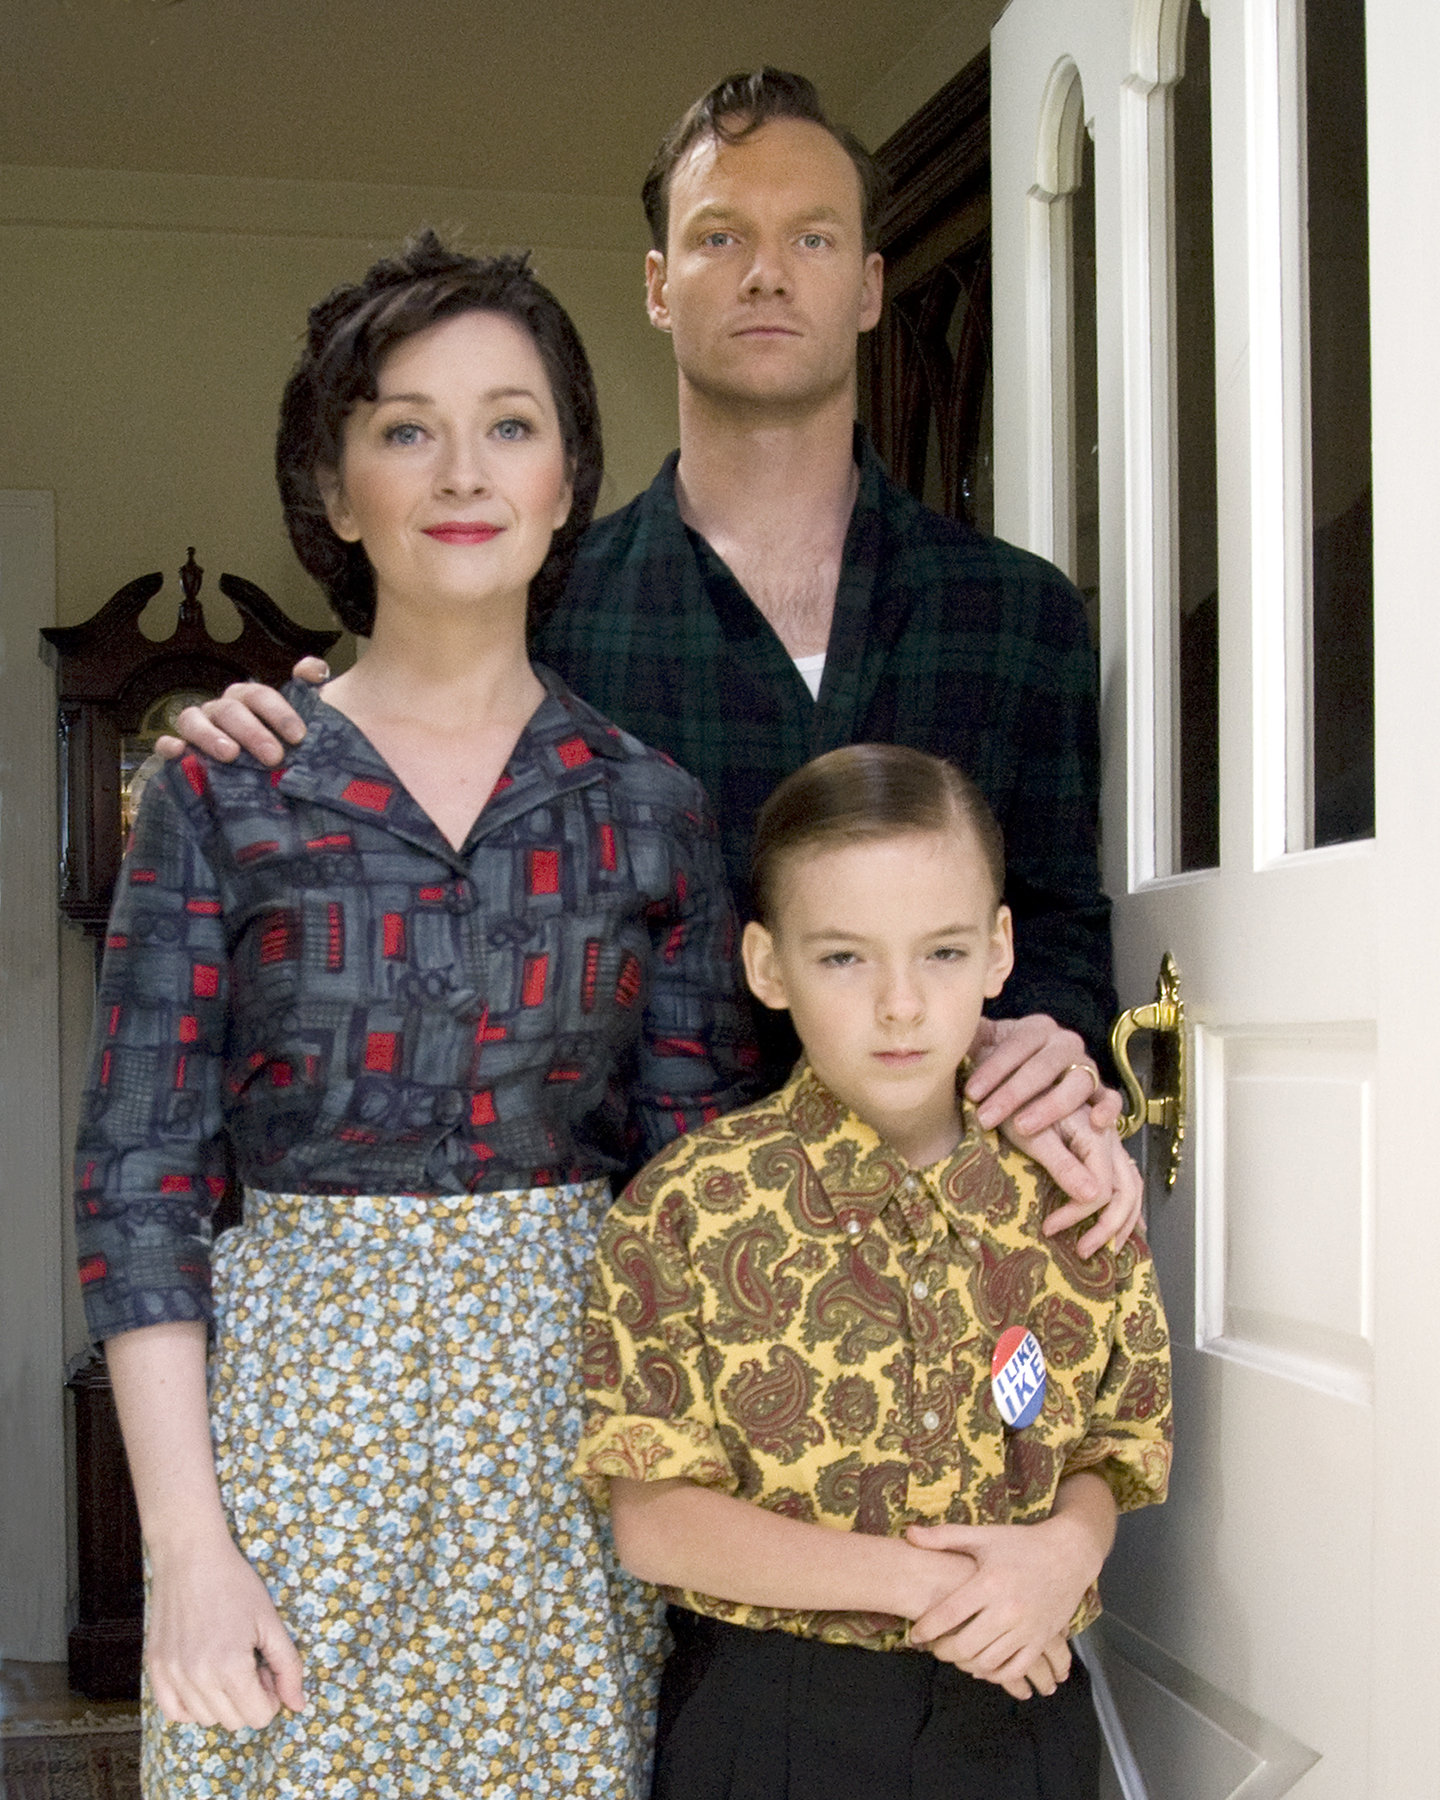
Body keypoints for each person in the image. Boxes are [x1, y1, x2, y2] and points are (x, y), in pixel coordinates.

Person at [159, 68, 1140, 1259]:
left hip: (958, 1248)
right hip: (651, 1279)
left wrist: (1055, 1030)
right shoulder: (545, 604)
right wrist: (279, 731)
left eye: (813, 237)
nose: (768, 272)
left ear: (872, 286)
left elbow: (1059, 928)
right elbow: (402, 771)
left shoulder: (1018, 616)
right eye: (720, 236)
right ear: (659, 287)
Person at [74, 234, 755, 1799]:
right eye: (405, 427)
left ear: (573, 476)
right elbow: (139, 1178)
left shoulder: (648, 808)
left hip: (572, 1450)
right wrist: (185, 1547)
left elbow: (699, 1194)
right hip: (290, 1446)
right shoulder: (222, 792)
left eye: (511, 423)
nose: (463, 469)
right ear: (333, 486)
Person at [575, 743, 1172, 1800]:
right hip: (775, 1725)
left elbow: (1114, 1445)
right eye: (845, 958)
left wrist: (1063, 1556)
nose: (900, 1005)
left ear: (998, 952)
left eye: (940, 953)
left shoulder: (1078, 1194)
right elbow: (655, 1520)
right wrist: (945, 1591)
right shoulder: (686, 1208)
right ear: (768, 967)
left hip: (1022, 1704)